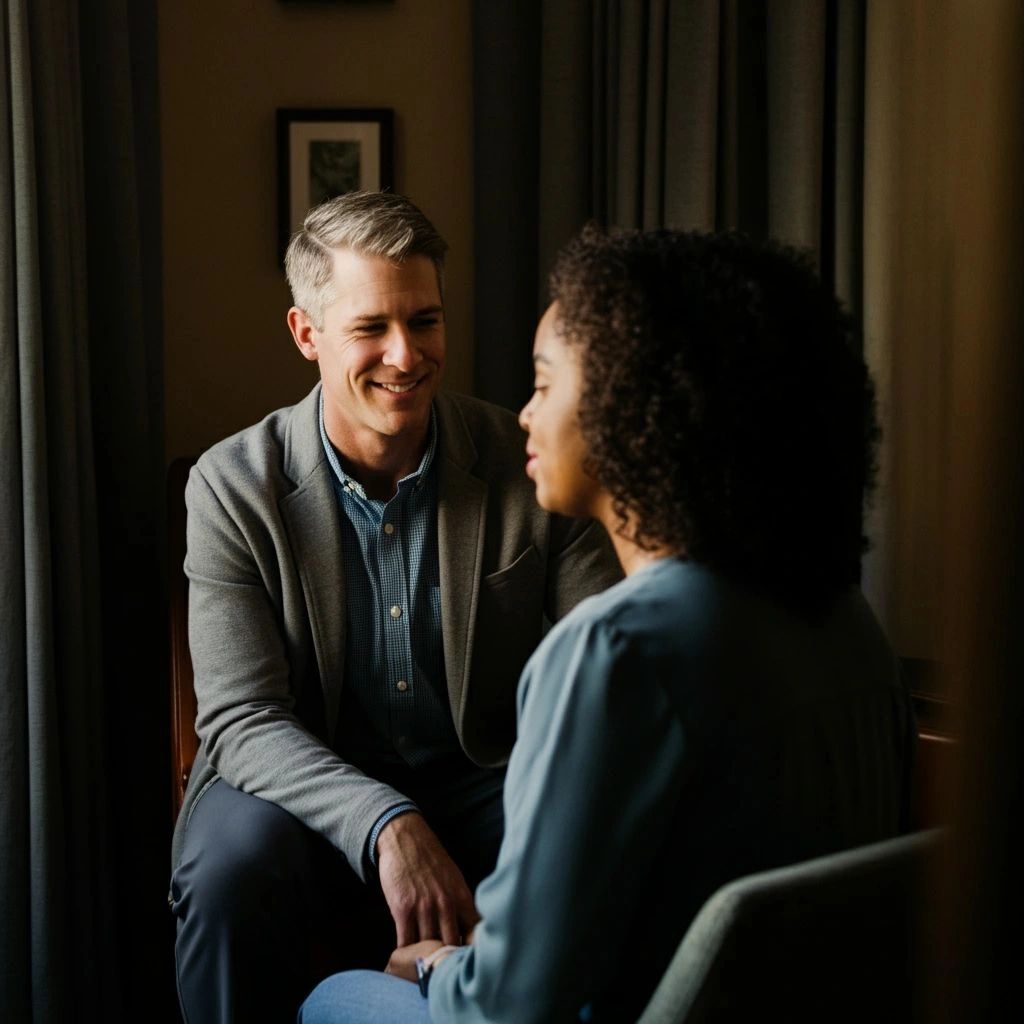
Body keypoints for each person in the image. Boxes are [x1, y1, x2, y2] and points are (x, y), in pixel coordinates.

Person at [298, 225, 916, 1023]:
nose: (523, 414)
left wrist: (436, 969)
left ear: (633, 408)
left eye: (546, 384)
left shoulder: (614, 651)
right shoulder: (851, 620)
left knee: (331, 998)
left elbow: (511, 1009)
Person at [168, 193, 621, 1024]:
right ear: (307, 334)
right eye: (371, 327)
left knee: (609, 839)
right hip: (301, 780)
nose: (405, 355)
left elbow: (604, 672)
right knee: (228, 865)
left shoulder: (532, 463)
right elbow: (239, 718)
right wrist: (388, 822)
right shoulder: (231, 485)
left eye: (426, 320)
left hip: (490, 773)